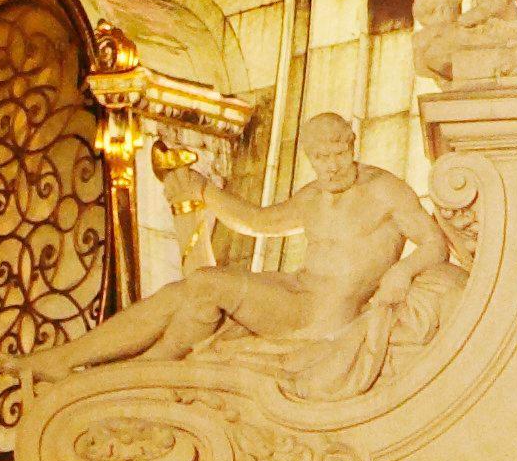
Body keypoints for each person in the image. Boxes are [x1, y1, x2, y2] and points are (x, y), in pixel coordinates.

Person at [33, 117, 454, 401]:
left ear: (352, 147)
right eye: (320, 159)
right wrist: (203, 191)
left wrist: (403, 270)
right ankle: (105, 368)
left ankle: (127, 373)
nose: (330, 167)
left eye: (337, 155)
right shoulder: (313, 195)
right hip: (296, 291)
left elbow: (434, 242)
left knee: (205, 284)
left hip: (321, 315)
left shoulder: (386, 190)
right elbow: (259, 221)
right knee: (192, 290)